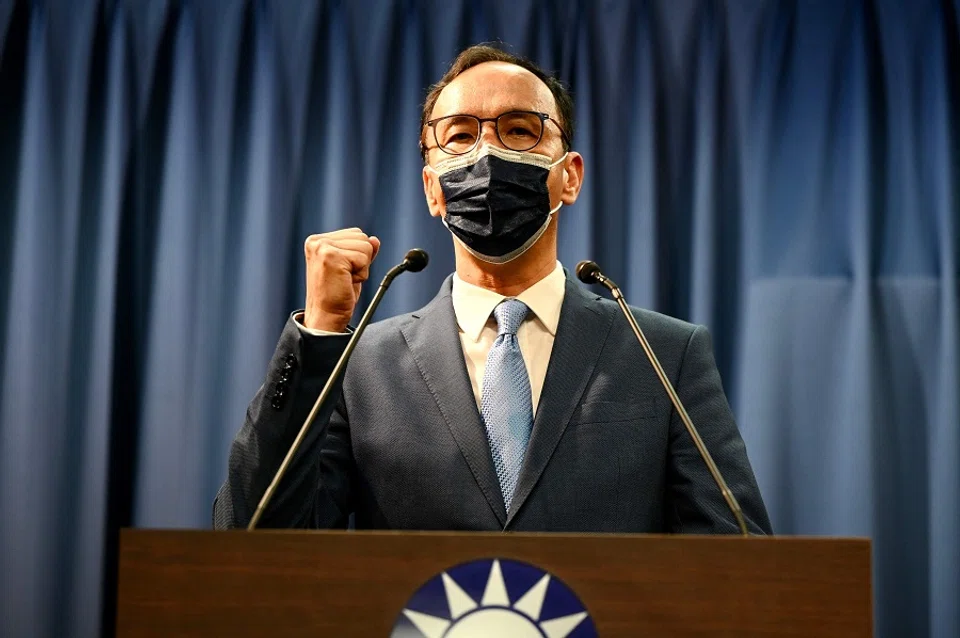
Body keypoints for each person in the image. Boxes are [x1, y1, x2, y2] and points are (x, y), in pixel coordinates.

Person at [213, 44, 771, 534]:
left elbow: (736, 561)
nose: (486, 154)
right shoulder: (360, 368)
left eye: (519, 131)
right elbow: (253, 535)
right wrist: (321, 335)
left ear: (569, 175)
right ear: (432, 190)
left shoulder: (665, 355)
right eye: (459, 136)